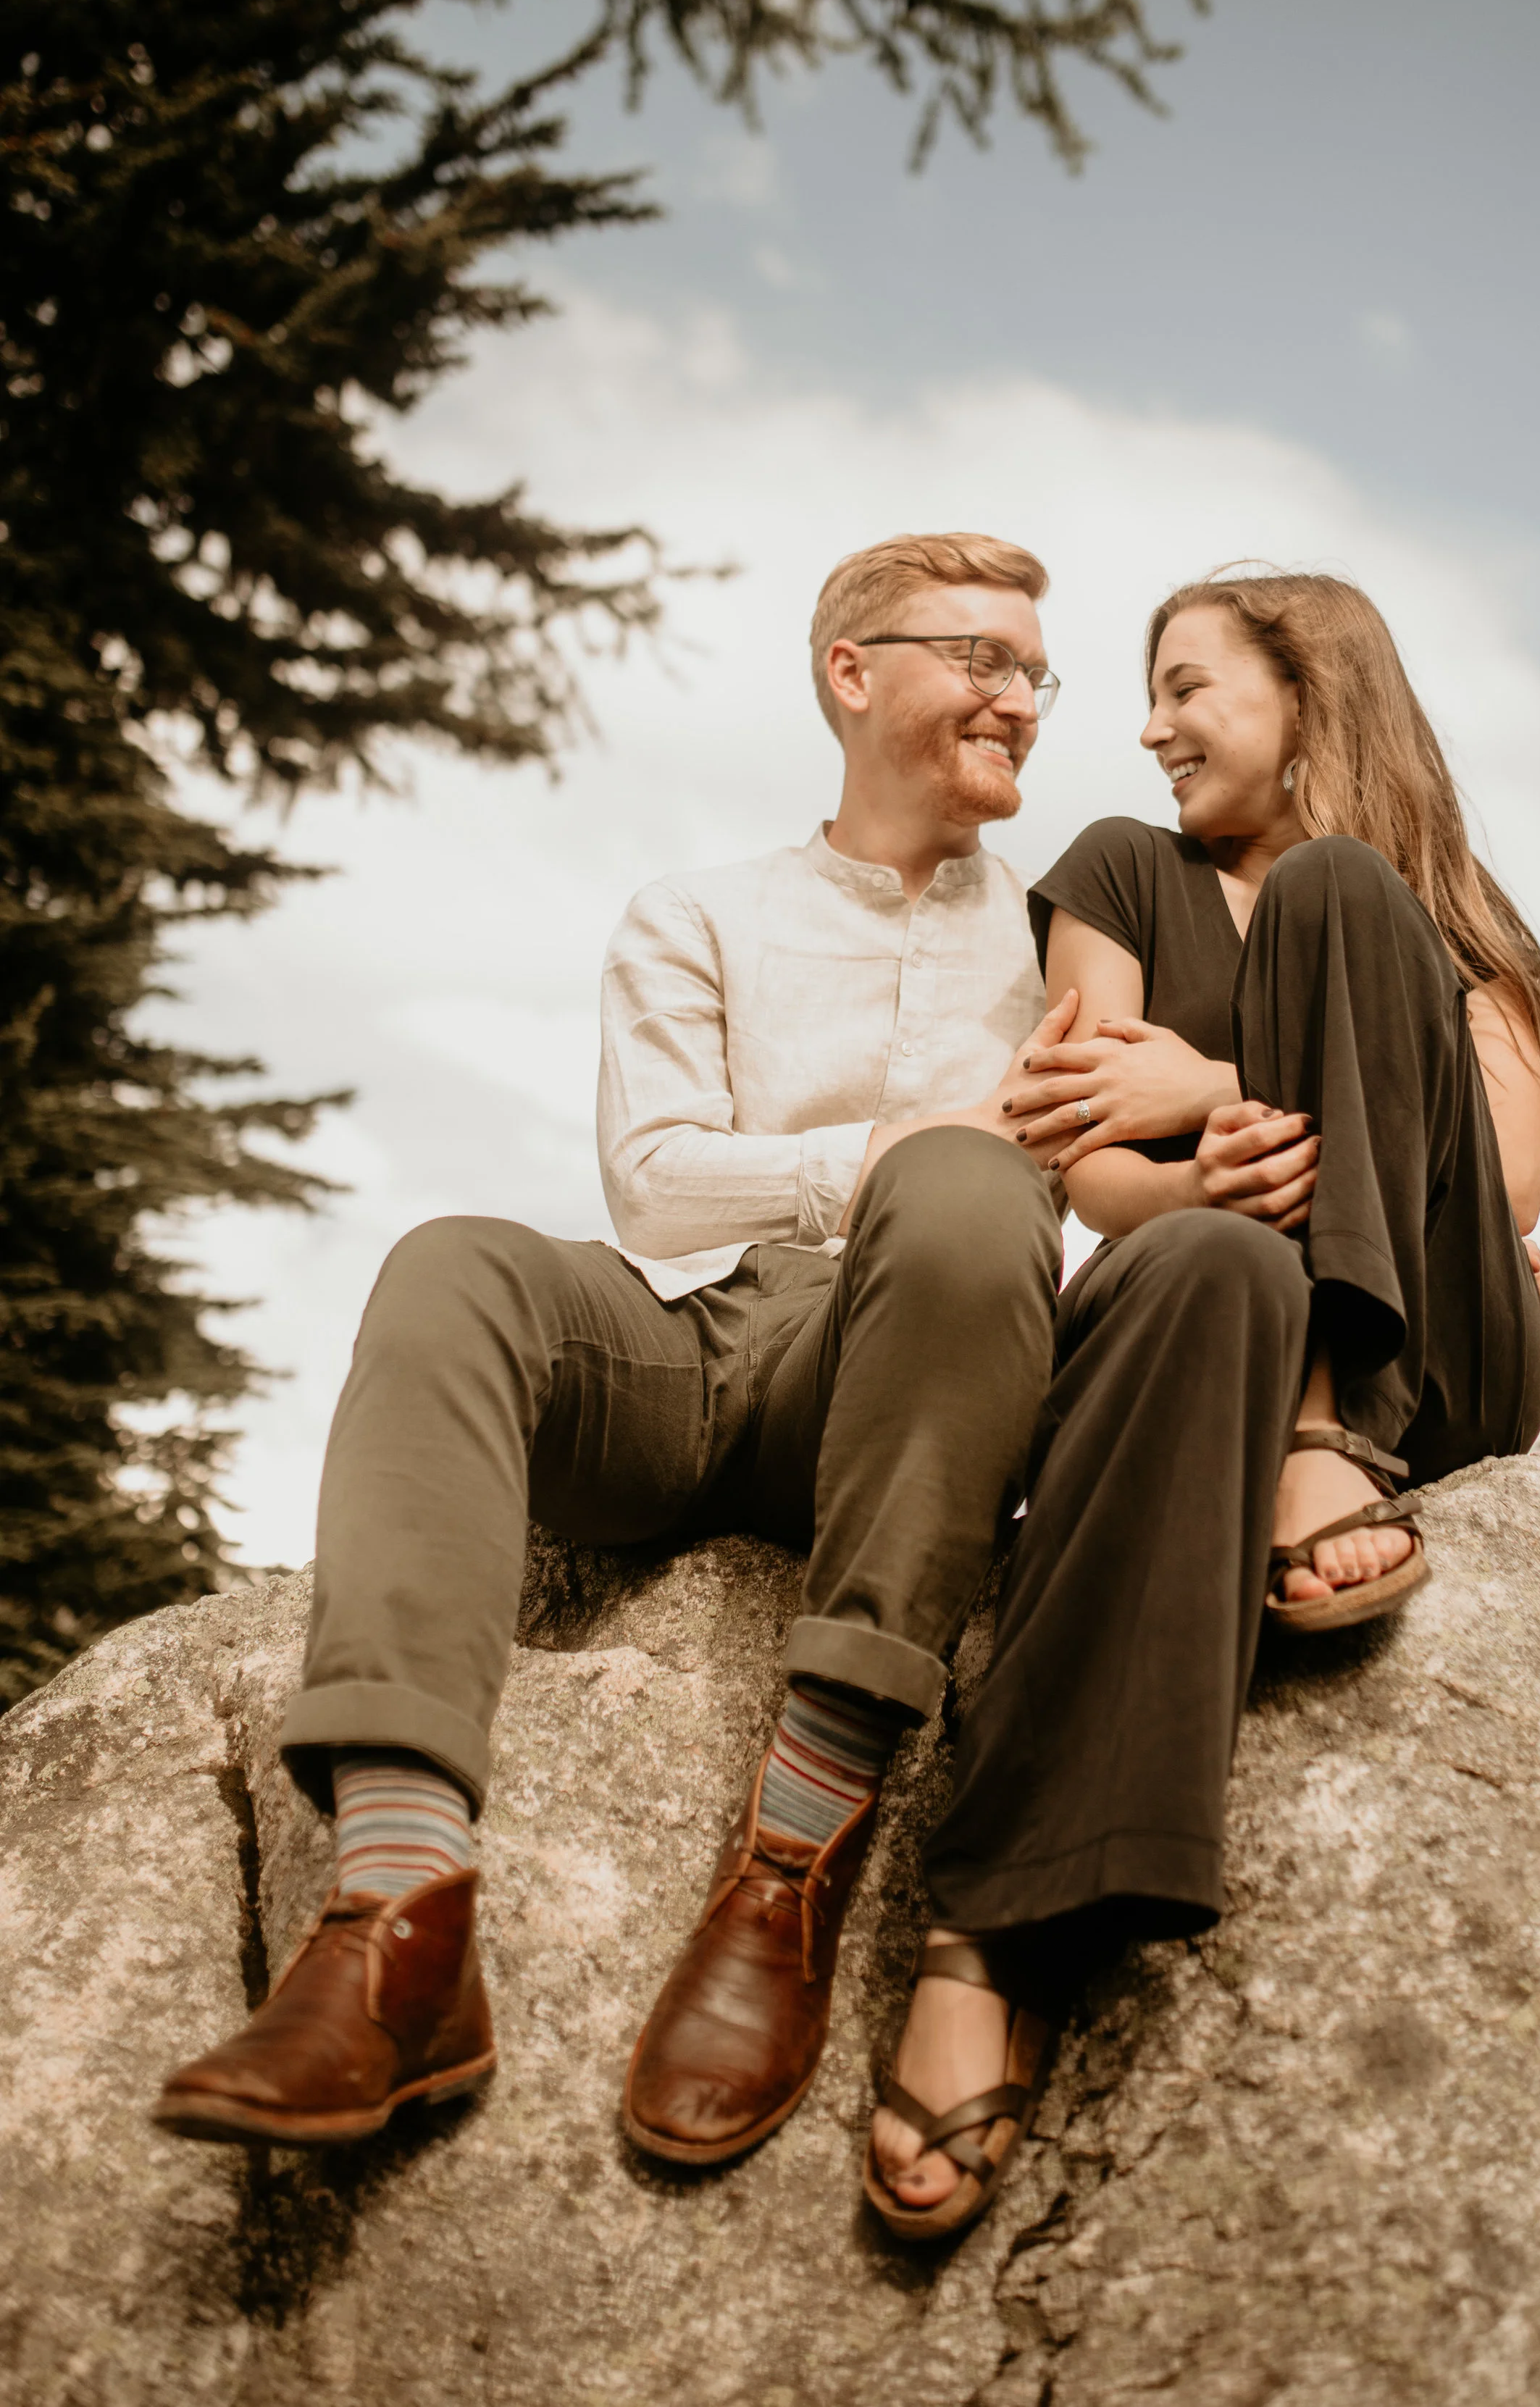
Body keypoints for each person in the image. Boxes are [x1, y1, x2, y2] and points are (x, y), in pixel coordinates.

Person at [154, 529, 1081, 2164]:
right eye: (980, 658)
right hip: (703, 1340)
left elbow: (1188, 1123)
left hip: (910, 1373)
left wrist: (1464, 1237)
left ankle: (793, 1853)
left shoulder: (1071, 936)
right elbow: (654, 1186)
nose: (1019, 698)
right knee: (453, 1262)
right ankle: (397, 1911)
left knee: (961, 1185)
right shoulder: (698, 914)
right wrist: (881, 1143)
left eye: (1034, 672)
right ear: (849, 676)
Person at [863, 567, 1540, 2241]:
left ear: (1308, 697)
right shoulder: (1121, 870)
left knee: (1334, 890)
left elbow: (1513, 1180)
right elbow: (1091, 1160)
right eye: (1149, 690)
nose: (1148, 723)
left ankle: (1330, 1428)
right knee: (1223, 1271)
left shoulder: (1447, 914)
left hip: (1434, 1363)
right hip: (1206, 1305)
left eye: (1186, 687)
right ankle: (996, 1936)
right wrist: (1215, 1159)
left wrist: (1218, 1085)